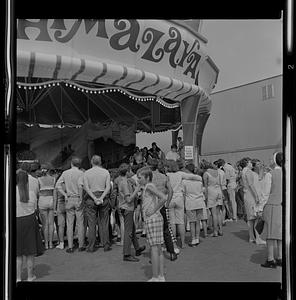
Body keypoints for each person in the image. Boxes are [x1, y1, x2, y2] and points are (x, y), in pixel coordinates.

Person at [137, 166, 168, 282]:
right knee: (158, 249)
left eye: (140, 177)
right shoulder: (148, 186)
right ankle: (160, 275)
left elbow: (163, 198)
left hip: (153, 219)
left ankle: (156, 276)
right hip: (155, 219)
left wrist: (153, 210)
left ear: (147, 177)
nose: (138, 179)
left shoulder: (149, 186)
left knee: (154, 249)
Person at [166, 160, 202, 250]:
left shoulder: (167, 175)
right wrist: (200, 178)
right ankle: (182, 243)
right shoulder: (180, 174)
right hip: (179, 198)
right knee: (181, 222)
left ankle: (174, 244)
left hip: (170, 198)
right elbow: (192, 177)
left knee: (172, 223)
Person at [16, 169, 44, 282]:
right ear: (27, 180)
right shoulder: (31, 194)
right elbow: (34, 209)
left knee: (17, 253)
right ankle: (30, 276)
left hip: (17, 221)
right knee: (30, 251)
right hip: (30, 220)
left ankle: (17, 277)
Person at [116, 163, 146, 261]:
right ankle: (127, 254)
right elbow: (128, 199)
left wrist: (134, 185)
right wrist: (136, 190)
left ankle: (137, 248)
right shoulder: (124, 183)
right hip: (127, 208)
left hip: (127, 207)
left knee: (132, 229)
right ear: (128, 171)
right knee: (129, 231)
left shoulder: (124, 181)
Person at [56, 157, 85, 253]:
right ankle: (81, 245)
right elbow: (82, 187)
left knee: (69, 223)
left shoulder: (65, 173)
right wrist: (81, 198)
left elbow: (57, 185)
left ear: (71, 163)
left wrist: (65, 194)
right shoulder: (82, 173)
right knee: (80, 223)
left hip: (69, 199)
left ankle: (70, 246)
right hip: (78, 198)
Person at [150, 159, 177, 261]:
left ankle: (155, 255)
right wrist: (167, 203)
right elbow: (171, 191)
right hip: (162, 205)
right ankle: (172, 253)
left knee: (154, 232)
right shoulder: (164, 177)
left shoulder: (149, 177)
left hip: (152, 206)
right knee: (166, 230)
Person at [83, 155, 112, 252]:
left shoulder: (86, 173)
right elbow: (108, 187)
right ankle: (106, 244)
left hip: (91, 199)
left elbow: (86, 188)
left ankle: (91, 246)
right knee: (104, 222)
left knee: (91, 224)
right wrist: (101, 197)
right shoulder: (106, 172)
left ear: (91, 162)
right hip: (103, 197)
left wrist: (95, 198)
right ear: (100, 162)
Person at [261, 152, 283, 268]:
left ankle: (270, 259)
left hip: (272, 205)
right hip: (282, 206)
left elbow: (265, 194)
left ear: (275, 161)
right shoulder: (287, 173)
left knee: (270, 234)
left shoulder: (270, 174)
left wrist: (259, 208)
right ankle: (280, 257)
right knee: (280, 233)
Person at [183, 163, 207, 246]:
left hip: (190, 203)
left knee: (192, 222)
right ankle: (197, 238)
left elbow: (184, 193)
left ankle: (193, 239)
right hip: (199, 202)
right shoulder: (199, 181)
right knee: (198, 221)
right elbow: (202, 190)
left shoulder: (185, 181)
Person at [241, 157, 260, 243]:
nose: (251, 163)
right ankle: (256, 237)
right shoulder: (248, 171)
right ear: (246, 163)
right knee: (255, 216)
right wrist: (256, 196)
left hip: (246, 194)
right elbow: (251, 184)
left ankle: (251, 236)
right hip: (250, 195)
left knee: (250, 218)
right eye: (249, 162)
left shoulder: (243, 171)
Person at [37, 163, 56, 249]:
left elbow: (38, 192)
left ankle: (46, 244)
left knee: (45, 224)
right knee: (51, 223)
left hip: (42, 200)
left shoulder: (39, 179)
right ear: (49, 170)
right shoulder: (53, 179)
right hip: (51, 200)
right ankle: (51, 243)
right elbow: (54, 192)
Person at [203, 161, 223, 237]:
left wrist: (206, 196)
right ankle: (220, 229)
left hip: (211, 191)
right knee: (218, 212)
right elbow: (220, 184)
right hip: (218, 191)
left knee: (213, 213)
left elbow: (205, 186)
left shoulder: (206, 174)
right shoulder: (218, 172)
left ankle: (215, 231)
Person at [53, 171, 66, 249]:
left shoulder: (57, 186)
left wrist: (54, 209)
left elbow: (55, 199)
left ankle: (61, 243)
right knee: (70, 224)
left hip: (60, 205)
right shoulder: (67, 185)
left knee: (61, 225)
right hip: (67, 204)